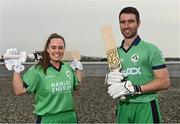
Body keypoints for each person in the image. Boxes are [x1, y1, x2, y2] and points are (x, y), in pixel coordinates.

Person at [105, 7, 171, 123]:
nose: (126, 26)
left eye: (130, 21)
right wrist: (109, 80)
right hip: (124, 106)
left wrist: (136, 88)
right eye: (122, 22)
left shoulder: (150, 49)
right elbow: (116, 85)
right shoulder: (113, 53)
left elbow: (165, 82)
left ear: (138, 23)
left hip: (145, 105)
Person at [4, 33, 83, 123]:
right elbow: (19, 91)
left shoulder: (67, 67)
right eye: (53, 47)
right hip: (48, 120)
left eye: (60, 48)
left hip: (70, 118)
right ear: (47, 49)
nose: (57, 51)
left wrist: (78, 69)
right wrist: (16, 70)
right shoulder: (37, 70)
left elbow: (77, 86)